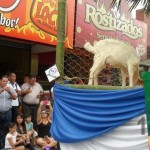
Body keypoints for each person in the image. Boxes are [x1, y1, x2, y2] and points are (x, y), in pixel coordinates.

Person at [0, 75, 17, 148]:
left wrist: (9, 91)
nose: (5, 83)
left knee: (7, 128)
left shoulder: (10, 87)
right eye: (4, 81)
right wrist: (2, 90)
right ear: (0, 81)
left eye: (6, 81)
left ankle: (5, 143)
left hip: (7, 112)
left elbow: (15, 97)